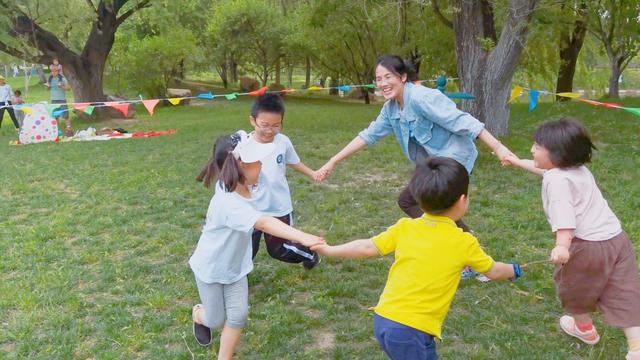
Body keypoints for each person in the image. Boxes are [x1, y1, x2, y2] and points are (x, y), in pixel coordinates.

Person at [311, 156, 522, 360]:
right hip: (411, 331)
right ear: (462, 200)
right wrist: (513, 270)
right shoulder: (464, 242)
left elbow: (366, 247)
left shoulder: (405, 227)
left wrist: (330, 250)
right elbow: (493, 271)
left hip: (385, 319)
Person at [316, 55, 515, 230]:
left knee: (424, 204)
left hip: (455, 158)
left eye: (388, 77)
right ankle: (456, 241)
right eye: (378, 79)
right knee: (414, 203)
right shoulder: (391, 109)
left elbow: (461, 121)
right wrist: (333, 160)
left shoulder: (422, 97)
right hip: (432, 164)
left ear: (402, 77)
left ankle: (461, 247)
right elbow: (368, 135)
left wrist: (497, 147)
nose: (383, 83)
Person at [506, 118, 640, 360]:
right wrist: (517, 162)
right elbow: (543, 169)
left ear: (557, 154)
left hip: (587, 246)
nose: (531, 149)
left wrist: (561, 246)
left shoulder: (556, 181)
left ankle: (585, 330)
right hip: (617, 240)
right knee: (623, 290)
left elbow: (565, 220)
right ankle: (637, 347)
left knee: (573, 287)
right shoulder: (575, 169)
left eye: (537, 146)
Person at [189, 131, 325, 359]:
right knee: (215, 319)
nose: (262, 164)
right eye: (256, 161)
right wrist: (302, 236)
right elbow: (263, 222)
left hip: (236, 268)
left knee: (238, 317)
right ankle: (197, 314)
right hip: (211, 269)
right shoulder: (228, 202)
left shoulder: (243, 184)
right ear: (239, 167)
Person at [248, 93, 321, 269]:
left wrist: (312, 173)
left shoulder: (283, 141)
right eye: (264, 125)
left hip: (278, 207)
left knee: (278, 249)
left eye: (276, 125)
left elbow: (293, 161)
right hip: (251, 208)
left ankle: (309, 254)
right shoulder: (244, 145)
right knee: (246, 250)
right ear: (253, 121)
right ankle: (238, 280)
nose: (269, 130)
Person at [44, 63, 73, 137]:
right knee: (55, 116)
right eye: (52, 71)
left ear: (58, 71)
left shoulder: (62, 79)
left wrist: (62, 86)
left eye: (55, 71)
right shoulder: (50, 79)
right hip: (54, 100)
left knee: (65, 116)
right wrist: (48, 87)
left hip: (62, 100)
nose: (53, 72)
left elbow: (69, 88)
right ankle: (55, 130)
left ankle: (69, 129)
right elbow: (47, 89)